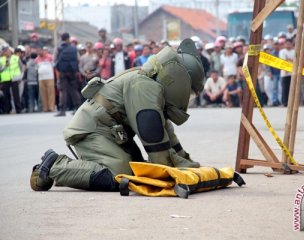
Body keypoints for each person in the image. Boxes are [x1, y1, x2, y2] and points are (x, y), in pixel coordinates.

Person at [30, 39, 205, 192]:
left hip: (112, 134)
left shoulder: (153, 87)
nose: (187, 97)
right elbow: (153, 138)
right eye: (189, 92)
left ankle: (67, 167)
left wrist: (188, 163)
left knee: (138, 169)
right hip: (92, 132)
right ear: (178, 79)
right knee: (121, 174)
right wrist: (173, 172)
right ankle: (54, 165)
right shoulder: (144, 86)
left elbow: (166, 133)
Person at [54, 32, 81, 116]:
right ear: (68, 38)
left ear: (62, 39)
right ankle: (78, 108)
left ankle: (62, 110)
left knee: (63, 90)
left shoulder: (58, 48)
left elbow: (54, 59)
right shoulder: (74, 48)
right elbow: (78, 59)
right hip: (72, 71)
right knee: (74, 90)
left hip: (62, 72)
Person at [0, 46, 22, 114]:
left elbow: (21, 67)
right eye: (5, 51)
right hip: (5, 79)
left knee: (16, 95)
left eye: (7, 50)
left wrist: (20, 77)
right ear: (3, 52)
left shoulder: (16, 57)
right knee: (6, 95)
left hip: (14, 78)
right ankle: (7, 109)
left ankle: (18, 109)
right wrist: (5, 66)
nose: (7, 52)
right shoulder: (1, 59)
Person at [36, 47, 55, 112]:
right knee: (43, 94)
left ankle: (51, 107)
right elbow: (36, 68)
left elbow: (53, 65)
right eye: (37, 51)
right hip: (41, 78)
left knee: (50, 93)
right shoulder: (37, 59)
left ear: (43, 51)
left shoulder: (50, 57)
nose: (39, 52)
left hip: (49, 77)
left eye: (40, 51)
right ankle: (45, 108)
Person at [279, 39, 295, 106]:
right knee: (285, 88)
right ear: (285, 44)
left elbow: (295, 60)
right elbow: (284, 60)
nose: (288, 45)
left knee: (292, 88)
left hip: (292, 72)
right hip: (284, 73)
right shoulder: (282, 51)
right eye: (287, 44)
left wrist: (289, 59)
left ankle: (291, 102)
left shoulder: (294, 51)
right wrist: (290, 60)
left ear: (291, 44)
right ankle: (284, 102)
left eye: (289, 44)